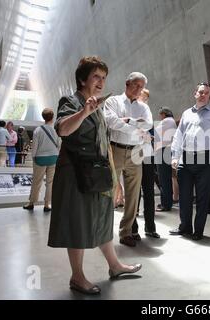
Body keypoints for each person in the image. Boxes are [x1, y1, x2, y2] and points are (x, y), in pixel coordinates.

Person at [48, 56, 141, 295]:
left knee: (101, 218)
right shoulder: (71, 101)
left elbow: (104, 144)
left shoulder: (99, 105)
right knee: (78, 223)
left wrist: (114, 179)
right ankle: (77, 277)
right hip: (75, 173)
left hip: (97, 173)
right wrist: (84, 111)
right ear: (82, 79)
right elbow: (62, 130)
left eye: (104, 77)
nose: (101, 82)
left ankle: (115, 266)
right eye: (96, 76)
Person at [170, 82, 210, 240]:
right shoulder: (187, 113)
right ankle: (185, 227)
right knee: (184, 196)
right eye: (200, 92)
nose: (203, 95)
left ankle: (198, 230)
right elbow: (178, 135)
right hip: (186, 159)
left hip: (205, 159)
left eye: (206, 93)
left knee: (203, 198)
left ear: (209, 96)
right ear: (195, 93)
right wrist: (175, 156)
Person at [104, 72, 153, 247]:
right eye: (135, 85)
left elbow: (148, 125)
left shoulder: (143, 107)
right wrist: (135, 127)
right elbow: (111, 122)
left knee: (133, 195)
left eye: (141, 86)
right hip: (115, 149)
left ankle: (126, 233)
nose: (138, 89)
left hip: (136, 152)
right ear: (127, 83)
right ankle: (102, 231)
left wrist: (128, 121)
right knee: (108, 192)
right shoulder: (113, 101)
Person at [132, 88, 160, 239]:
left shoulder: (148, 116)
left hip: (148, 157)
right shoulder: (130, 113)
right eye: (142, 97)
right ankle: (133, 229)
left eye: (147, 98)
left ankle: (150, 227)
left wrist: (149, 138)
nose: (144, 100)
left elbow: (154, 137)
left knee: (148, 192)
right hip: (133, 156)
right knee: (134, 193)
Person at [23, 108, 60, 212]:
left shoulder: (38, 130)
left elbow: (34, 146)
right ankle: (47, 204)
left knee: (36, 181)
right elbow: (59, 145)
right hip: (53, 158)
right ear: (52, 117)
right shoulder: (55, 130)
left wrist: (33, 157)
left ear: (43, 117)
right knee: (50, 182)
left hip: (40, 159)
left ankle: (31, 203)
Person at [155, 107, 177, 212]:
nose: (160, 117)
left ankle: (166, 204)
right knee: (166, 179)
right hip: (167, 151)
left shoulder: (167, 121)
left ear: (164, 114)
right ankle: (167, 202)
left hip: (163, 151)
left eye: (160, 115)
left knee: (164, 179)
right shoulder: (172, 121)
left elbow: (154, 133)